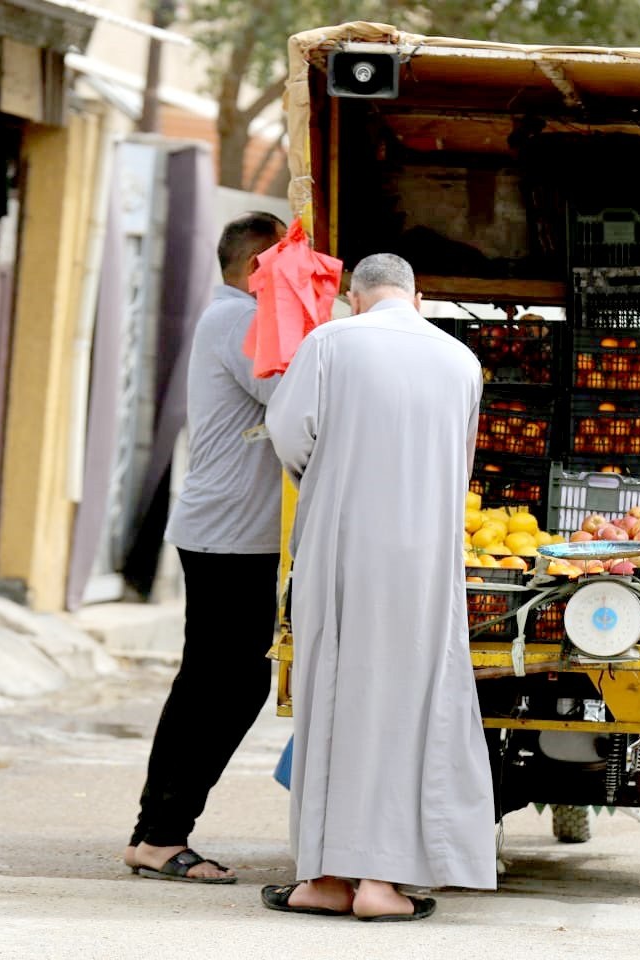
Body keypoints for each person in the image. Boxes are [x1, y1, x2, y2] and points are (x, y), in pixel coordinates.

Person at [262, 253, 496, 921]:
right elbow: (461, 463)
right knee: (407, 709)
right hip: (425, 560)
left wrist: (331, 478)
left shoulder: (331, 342)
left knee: (332, 702)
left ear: (355, 298)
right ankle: (381, 884)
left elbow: (288, 434)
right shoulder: (460, 361)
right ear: (416, 299)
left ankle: (324, 878)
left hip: (340, 548)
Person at [123, 211, 287, 883]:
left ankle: (156, 833)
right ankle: (160, 836)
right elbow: (295, 396)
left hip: (232, 534)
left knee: (220, 683)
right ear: (255, 268)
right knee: (222, 686)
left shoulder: (238, 317)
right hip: (228, 537)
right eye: (284, 266)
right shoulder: (238, 320)